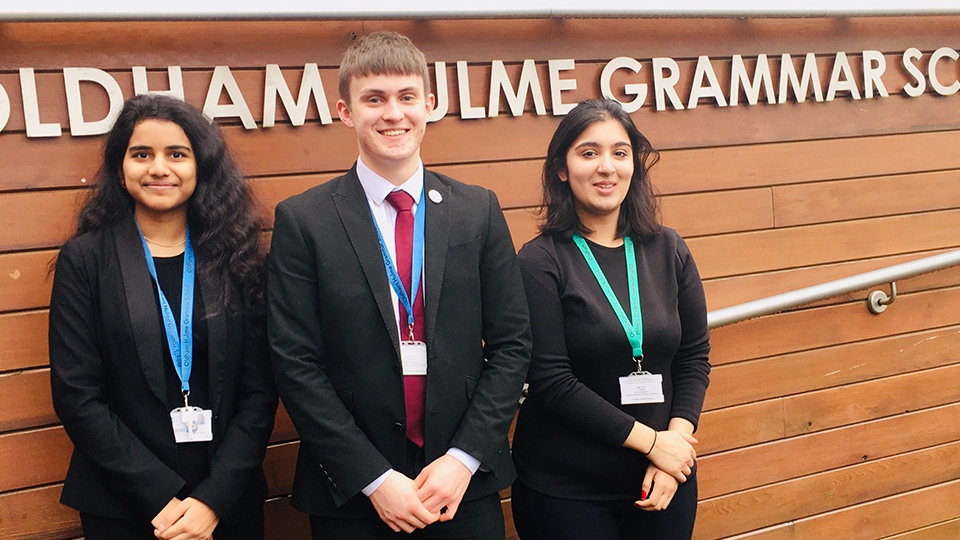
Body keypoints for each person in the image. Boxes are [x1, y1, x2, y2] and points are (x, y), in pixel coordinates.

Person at [267, 31, 531, 539]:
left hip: (462, 488)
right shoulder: (304, 221)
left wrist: (463, 458)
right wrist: (373, 478)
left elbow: (513, 345)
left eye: (407, 97)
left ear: (429, 104)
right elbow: (294, 363)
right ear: (345, 111)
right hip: (353, 494)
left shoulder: (477, 210)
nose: (393, 114)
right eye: (374, 99)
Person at [48, 94, 278, 540]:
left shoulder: (239, 256)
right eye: (141, 154)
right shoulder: (86, 260)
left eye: (177, 154)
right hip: (123, 505)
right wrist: (160, 498)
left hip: (227, 503)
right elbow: (77, 395)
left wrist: (213, 499)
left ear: (201, 166)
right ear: (120, 168)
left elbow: (260, 391)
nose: (158, 168)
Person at [510, 99, 711, 540]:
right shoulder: (540, 261)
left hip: (661, 481)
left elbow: (694, 357)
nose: (607, 167)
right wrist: (654, 443)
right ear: (561, 169)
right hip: (568, 492)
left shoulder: (668, 249)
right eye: (589, 153)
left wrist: (674, 451)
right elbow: (551, 381)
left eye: (620, 153)